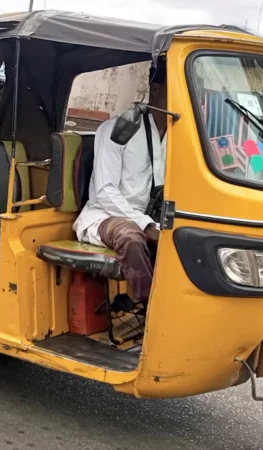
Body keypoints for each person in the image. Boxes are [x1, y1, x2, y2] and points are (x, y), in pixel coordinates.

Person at [73, 66, 168, 308]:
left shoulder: (177, 135)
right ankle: (153, 309)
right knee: (131, 238)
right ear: (156, 89)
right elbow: (105, 192)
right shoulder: (116, 130)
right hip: (107, 215)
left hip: (152, 216)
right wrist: (147, 226)